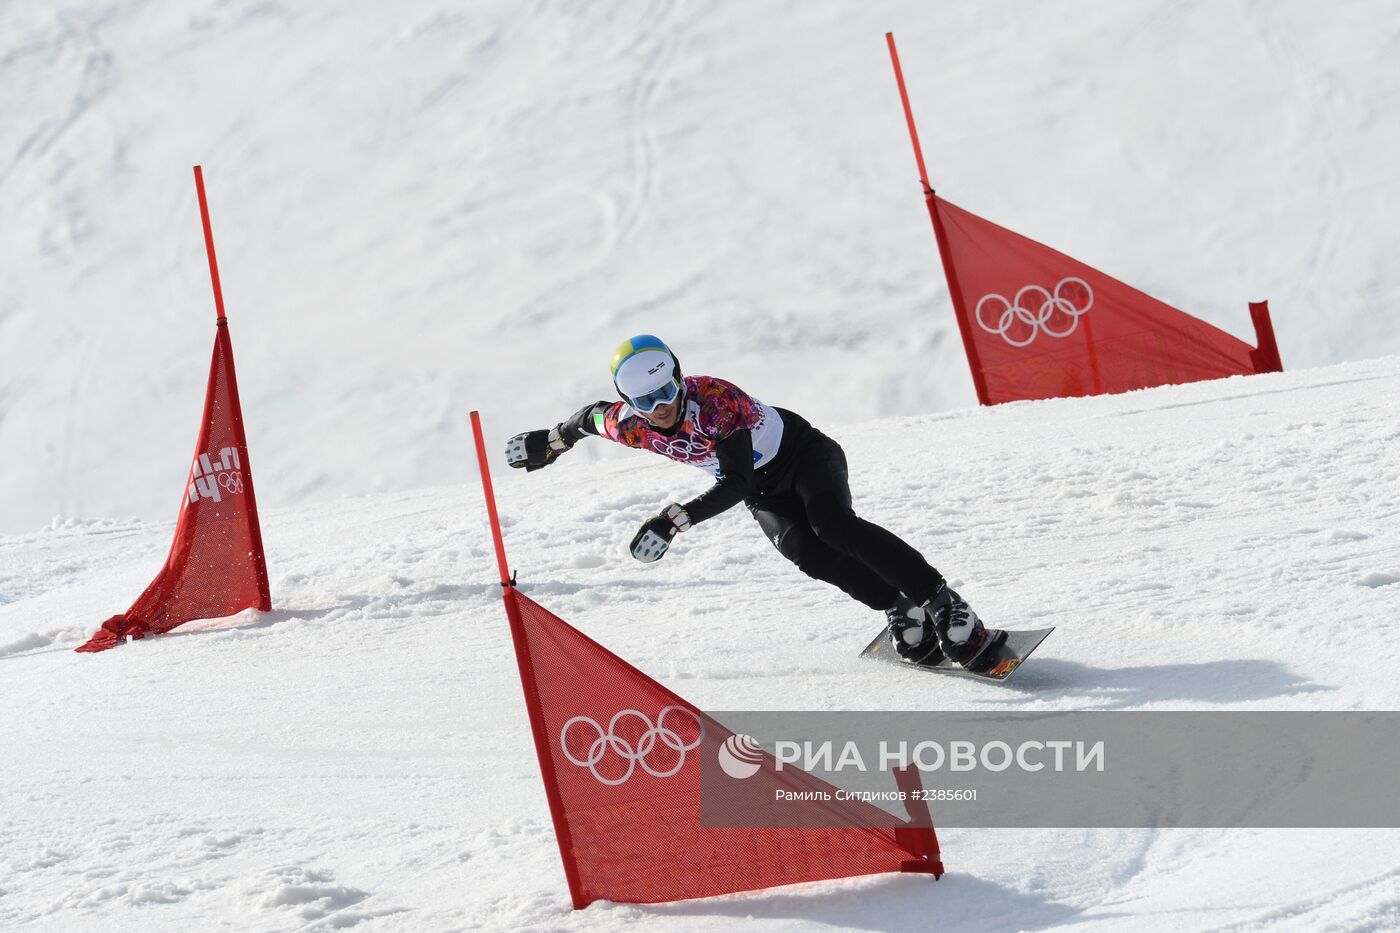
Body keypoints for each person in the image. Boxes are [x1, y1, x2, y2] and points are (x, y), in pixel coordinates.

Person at [505, 334, 1004, 671]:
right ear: (630, 403)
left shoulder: (714, 401)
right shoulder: (629, 423)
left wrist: (676, 519)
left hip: (803, 457)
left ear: (679, 378)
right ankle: (899, 607)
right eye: (645, 402)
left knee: (832, 526)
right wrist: (552, 441)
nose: (661, 409)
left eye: (666, 392)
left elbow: (736, 481)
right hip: (764, 489)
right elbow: (590, 417)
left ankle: (944, 603)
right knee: (806, 554)